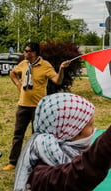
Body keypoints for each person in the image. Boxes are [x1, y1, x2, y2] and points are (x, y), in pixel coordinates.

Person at [4, 42, 71, 170]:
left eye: (27, 51)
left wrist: (62, 69)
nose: (25, 53)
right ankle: (13, 162)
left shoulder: (45, 65)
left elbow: (58, 80)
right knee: (18, 135)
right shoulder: (24, 64)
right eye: (25, 50)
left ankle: (36, 162)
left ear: (34, 53)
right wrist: (18, 85)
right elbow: (12, 73)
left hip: (38, 107)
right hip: (23, 105)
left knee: (37, 137)